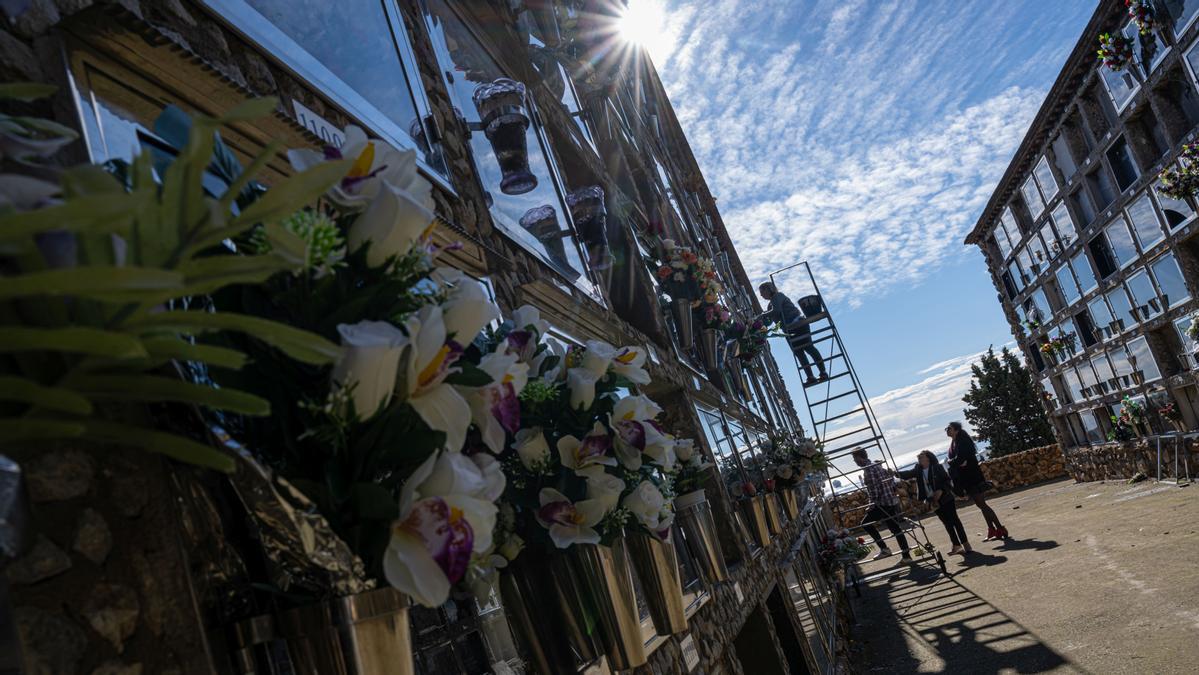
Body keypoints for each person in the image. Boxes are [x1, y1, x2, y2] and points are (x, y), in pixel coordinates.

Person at [945, 422, 1008, 540]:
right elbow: (959, 461)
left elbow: (960, 460)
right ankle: (992, 530)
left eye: (949, 428)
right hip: (966, 478)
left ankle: (1000, 528)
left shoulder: (962, 441)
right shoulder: (954, 442)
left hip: (973, 477)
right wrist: (956, 462)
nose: (947, 430)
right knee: (980, 504)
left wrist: (951, 462)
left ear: (956, 430)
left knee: (982, 504)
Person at [757, 282, 827, 385]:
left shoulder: (778, 296)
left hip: (798, 324)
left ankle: (823, 372)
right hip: (789, 330)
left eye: (762, 291)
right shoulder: (770, 305)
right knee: (798, 353)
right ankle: (810, 376)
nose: (761, 295)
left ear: (769, 289)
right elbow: (770, 320)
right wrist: (759, 324)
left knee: (809, 347)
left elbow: (776, 310)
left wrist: (762, 315)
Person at [902, 450, 970, 555]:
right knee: (947, 523)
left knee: (955, 521)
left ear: (928, 458)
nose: (919, 458)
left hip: (945, 498)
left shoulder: (937, 467)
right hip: (933, 501)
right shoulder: (918, 469)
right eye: (918, 457)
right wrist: (892, 473)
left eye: (921, 456)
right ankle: (956, 545)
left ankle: (966, 544)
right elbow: (906, 474)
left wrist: (941, 490)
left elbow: (947, 481)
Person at [852, 448, 913, 564]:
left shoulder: (868, 470)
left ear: (859, 458)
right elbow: (890, 481)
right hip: (891, 501)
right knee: (896, 529)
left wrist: (871, 505)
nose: (855, 462)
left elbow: (874, 491)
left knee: (865, 524)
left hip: (882, 504)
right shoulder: (877, 465)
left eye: (855, 459)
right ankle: (906, 556)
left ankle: (884, 549)